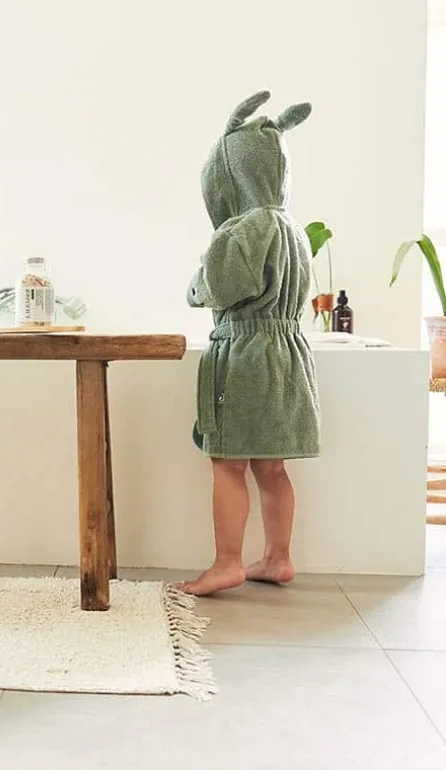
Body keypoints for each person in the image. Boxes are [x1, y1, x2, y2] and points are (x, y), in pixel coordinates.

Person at [180, 91, 320, 597]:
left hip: (246, 357)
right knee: (272, 465)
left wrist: (197, 284)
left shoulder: (241, 229)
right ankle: (279, 558)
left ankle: (227, 563)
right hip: (288, 356)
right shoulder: (293, 229)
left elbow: (216, 288)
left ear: (229, 175)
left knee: (228, 461)